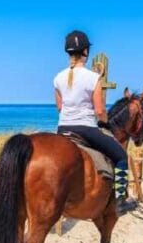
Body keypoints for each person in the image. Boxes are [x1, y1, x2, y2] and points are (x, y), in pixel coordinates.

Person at [54, 30, 135, 216]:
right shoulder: (93, 78)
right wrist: (105, 124)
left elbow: (60, 107)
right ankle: (121, 199)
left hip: (63, 128)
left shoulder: (58, 78)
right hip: (86, 129)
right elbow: (99, 111)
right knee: (121, 156)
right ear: (85, 52)